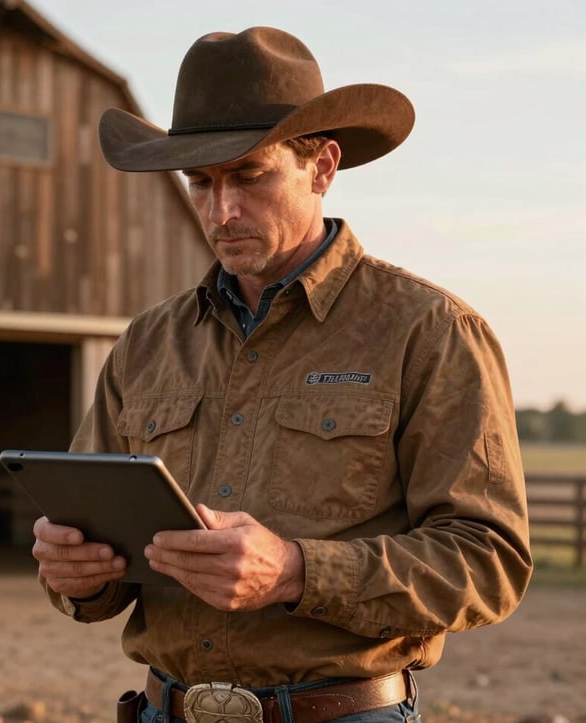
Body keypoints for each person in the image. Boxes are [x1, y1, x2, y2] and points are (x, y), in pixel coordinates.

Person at [32, 26, 532, 723]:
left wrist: (297, 570)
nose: (221, 210)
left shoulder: (432, 331)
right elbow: (95, 550)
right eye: (200, 183)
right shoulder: (146, 344)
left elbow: (489, 562)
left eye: (248, 175)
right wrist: (74, 575)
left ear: (322, 167)